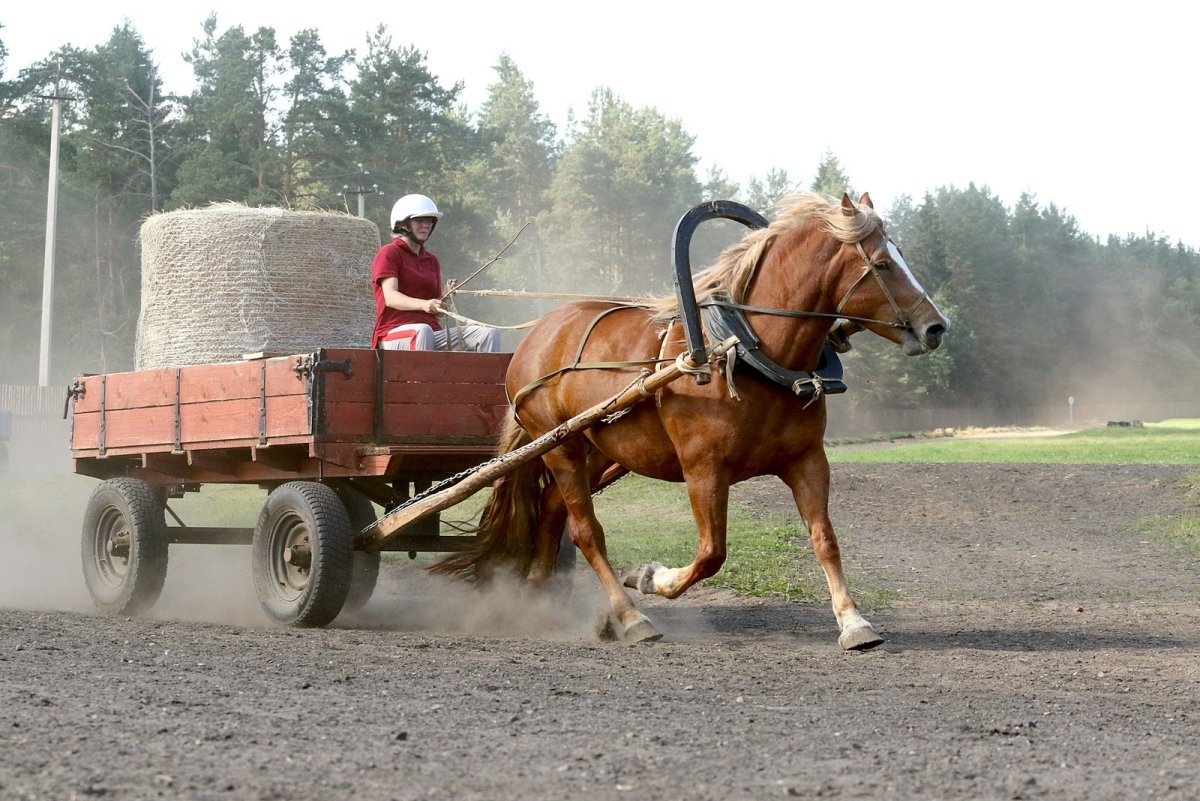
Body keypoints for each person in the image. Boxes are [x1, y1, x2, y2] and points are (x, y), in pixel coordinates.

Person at [370, 193, 501, 353]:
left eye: (429, 221)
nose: (426, 225)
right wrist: (424, 304)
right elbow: (391, 298)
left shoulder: (431, 260)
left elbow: (434, 312)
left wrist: (444, 295)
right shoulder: (389, 253)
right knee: (422, 331)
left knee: (488, 334)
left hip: (430, 333)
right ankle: (420, 379)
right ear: (404, 224)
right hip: (393, 333)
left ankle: (486, 378)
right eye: (420, 221)